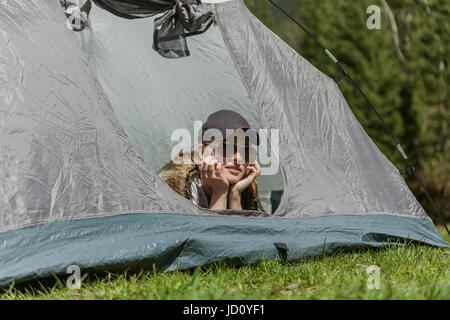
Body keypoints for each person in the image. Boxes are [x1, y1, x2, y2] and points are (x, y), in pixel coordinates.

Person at [158, 110, 265, 212]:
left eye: (246, 152)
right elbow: (215, 231)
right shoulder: (176, 179)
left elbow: (241, 231)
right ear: (202, 151)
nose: (239, 158)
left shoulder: (244, 183)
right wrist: (220, 192)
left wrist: (235, 196)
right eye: (226, 149)